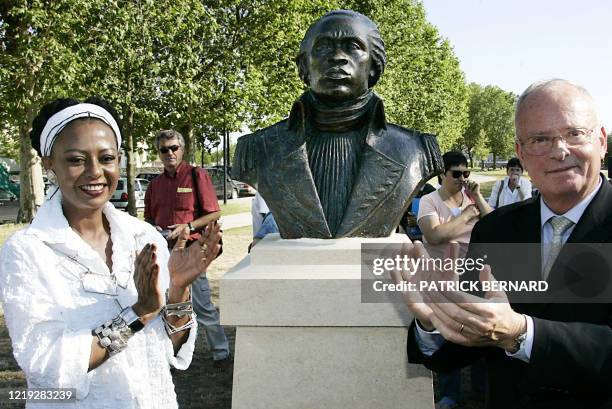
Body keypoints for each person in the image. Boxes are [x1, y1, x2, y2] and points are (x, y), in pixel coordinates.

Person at [399, 79, 612, 408]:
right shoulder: (496, 229)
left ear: (600, 141)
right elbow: (474, 333)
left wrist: (521, 332)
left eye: (574, 133)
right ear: (521, 153)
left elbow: (507, 328)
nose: (559, 150)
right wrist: (436, 320)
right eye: (540, 139)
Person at [0, 97, 222, 408]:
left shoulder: (141, 237)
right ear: (49, 163)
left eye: (106, 158)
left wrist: (178, 291)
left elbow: (168, 347)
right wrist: (137, 314)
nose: (95, 172)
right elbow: (46, 366)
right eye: (77, 160)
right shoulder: (27, 252)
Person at [233, 10, 443, 239]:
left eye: (353, 46)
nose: (337, 57)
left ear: (374, 65)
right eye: (323, 46)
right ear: (303, 65)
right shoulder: (258, 149)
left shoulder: (417, 151)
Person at [144, 129, 231, 370]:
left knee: (202, 304)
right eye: (164, 149)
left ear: (182, 150)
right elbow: (149, 221)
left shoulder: (196, 175)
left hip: (193, 252)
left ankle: (221, 353)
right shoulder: (155, 185)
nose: (169, 153)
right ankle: (173, 352)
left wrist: (188, 226)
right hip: (165, 254)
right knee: (169, 304)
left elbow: (214, 212)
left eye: (174, 148)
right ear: (159, 153)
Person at [416, 151, 490, 409]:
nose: (462, 178)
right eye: (456, 174)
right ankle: (450, 394)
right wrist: (468, 216)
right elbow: (436, 236)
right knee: (446, 334)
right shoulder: (429, 201)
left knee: (482, 331)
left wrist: (478, 197)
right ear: (442, 175)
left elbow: (493, 225)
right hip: (443, 275)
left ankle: (482, 390)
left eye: (466, 173)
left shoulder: (472, 198)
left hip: (475, 273)